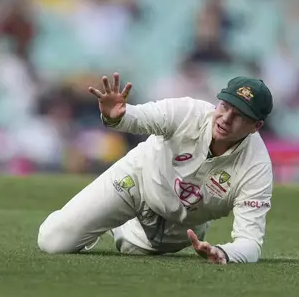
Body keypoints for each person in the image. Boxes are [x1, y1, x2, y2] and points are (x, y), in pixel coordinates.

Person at [37, 72, 274, 264]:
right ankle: (96, 215)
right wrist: (115, 117)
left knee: (132, 250)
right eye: (225, 106)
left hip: (182, 226)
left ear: (256, 126)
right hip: (136, 181)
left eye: (240, 115)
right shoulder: (188, 112)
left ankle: (118, 226)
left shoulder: (257, 168)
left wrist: (223, 253)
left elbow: (250, 243)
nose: (226, 118)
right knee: (52, 241)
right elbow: (139, 117)